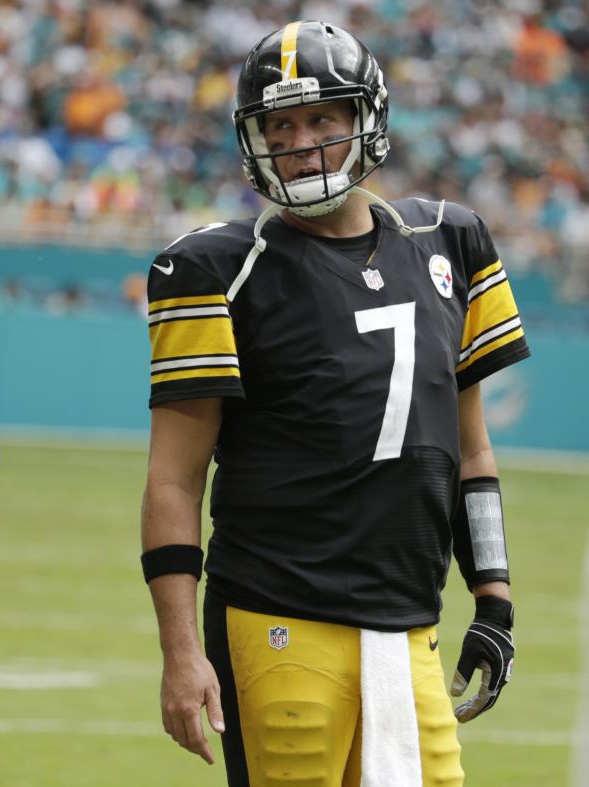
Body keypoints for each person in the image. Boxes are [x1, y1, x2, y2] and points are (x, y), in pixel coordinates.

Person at [140, 21, 528, 787]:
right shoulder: (216, 267)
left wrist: (494, 596)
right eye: (279, 125)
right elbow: (174, 480)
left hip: (412, 619)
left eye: (324, 119)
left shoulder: (452, 241)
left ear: (366, 120)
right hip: (279, 611)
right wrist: (181, 651)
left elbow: (471, 449)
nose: (303, 142)